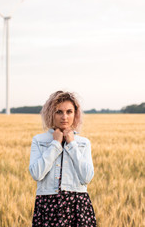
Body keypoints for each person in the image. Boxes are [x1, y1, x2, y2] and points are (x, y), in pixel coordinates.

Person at [29, 90, 97, 227]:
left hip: (78, 205)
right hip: (48, 205)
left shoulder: (83, 143)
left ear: (75, 114)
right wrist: (55, 144)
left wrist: (72, 144)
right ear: (51, 114)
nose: (64, 117)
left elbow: (87, 177)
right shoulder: (39, 140)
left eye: (69, 112)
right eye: (59, 112)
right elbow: (36, 174)